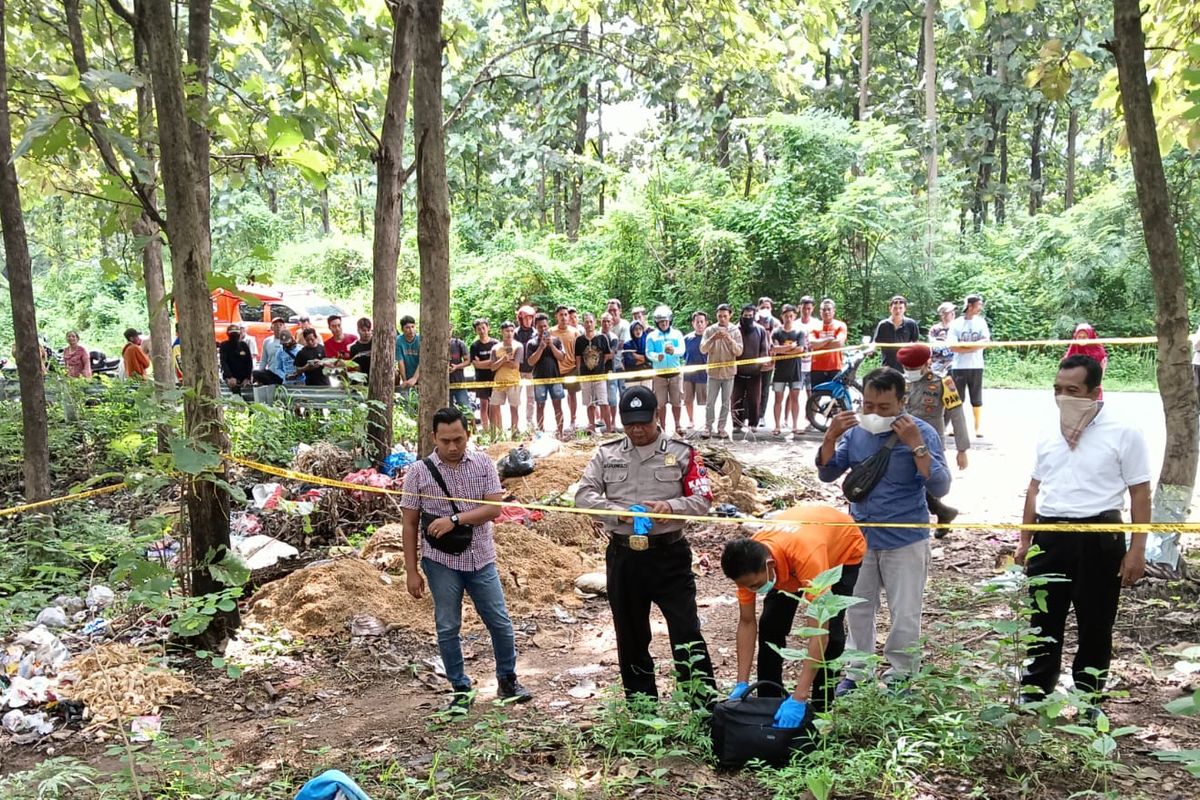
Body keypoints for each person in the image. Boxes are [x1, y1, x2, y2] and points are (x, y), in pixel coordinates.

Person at [1015, 355, 1149, 704]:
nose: (1063, 397)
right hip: (1050, 535)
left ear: (1095, 393)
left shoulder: (1124, 433)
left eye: (1072, 390)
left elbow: (1139, 492)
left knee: (1096, 621)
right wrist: (1025, 539)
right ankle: (1036, 689)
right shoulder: (1048, 432)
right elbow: (1034, 487)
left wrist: (1137, 549)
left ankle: (1089, 695)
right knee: (1044, 618)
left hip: (1099, 536)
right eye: (1057, 389)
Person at [575, 386, 716, 701]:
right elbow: (583, 495)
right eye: (629, 424)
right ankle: (642, 710)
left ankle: (703, 707)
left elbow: (703, 499)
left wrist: (672, 507)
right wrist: (616, 513)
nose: (637, 430)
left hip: (670, 554)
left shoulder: (683, 453)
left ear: (657, 416)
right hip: (625, 557)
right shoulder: (605, 453)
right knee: (631, 635)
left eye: (643, 422)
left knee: (686, 632)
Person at [816, 368, 951, 694]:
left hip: (906, 539)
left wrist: (916, 446)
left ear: (902, 402)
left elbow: (940, 485)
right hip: (860, 539)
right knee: (858, 608)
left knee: (904, 613)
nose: (874, 413)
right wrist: (831, 437)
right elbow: (827, 472)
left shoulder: (922, 432)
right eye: (869, 405)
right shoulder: (856, 431)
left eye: (884, 407)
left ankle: (901, 674)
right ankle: (857, 672)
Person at [401, 406, 533, 711]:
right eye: (445, 440)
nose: (452, 446)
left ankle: (507, 679)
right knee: (447, 626)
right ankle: (460, 688)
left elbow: (494, 509)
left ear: (468, 435)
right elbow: (409, 523)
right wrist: (411, 570)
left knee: (499, 622)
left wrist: (455, 519)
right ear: (433, 437)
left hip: (481, 558)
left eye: (458, 439)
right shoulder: (418, 473)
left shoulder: (484, 463)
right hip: (439, 561)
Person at [722, 505, 866, 719]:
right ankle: (768, 698)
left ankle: (821, 706)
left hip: (842, 550)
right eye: (747, 587)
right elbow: (746, 622)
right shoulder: (747, 563)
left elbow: (819, 631)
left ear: (769, 565)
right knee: (770, 625)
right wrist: (741, 682)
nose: (752, 590)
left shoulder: (807, 556)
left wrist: (799, 697)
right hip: (790, 558)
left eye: (756, 585)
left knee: (832, 633)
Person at [896, 345, 970, 532]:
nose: (910, 372)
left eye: (913, 368)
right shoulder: (900, 383)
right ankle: (940, 513)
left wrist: (962, 449)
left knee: (932, 480)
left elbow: (957, 415)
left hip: (931, 443)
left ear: (926, 363)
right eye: (907, 368)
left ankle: (940, 513)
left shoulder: (943, 383)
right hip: (903, 442)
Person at [948, 293, 990, 438]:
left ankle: (978, 427)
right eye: (978, 305)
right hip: (959, 366)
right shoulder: (956, 323)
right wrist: (973, 347)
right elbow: (952, 347)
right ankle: (955, 426)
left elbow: (985, 341)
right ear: (970, 306)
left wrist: (967, 348)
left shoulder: (981, 322)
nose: (980, 308)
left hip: (976, 365)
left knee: (976, 397)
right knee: (958, 398)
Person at [700, 303, 743, 439]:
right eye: (720, 316)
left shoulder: (735, 331)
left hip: (729, 372)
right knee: (710, 402)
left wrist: (729, 339)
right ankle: (708, 427)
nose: (722, 319)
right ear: (716, 316)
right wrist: (713, 338)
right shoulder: (710, 330)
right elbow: (703, 349)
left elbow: (739, 351)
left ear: (730, 315)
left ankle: (722, 427)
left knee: (726, 402)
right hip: (713, 373)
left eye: (725, 316)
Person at [644, 305, 686, 431]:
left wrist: (674, 351)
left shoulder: (677, 334)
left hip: (675, 373)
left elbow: (682, 350)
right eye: (661, 321)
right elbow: (648, 352)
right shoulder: (651, 336)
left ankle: (678, 425)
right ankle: (662, 427)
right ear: (656, 322)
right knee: (660, 403)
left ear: (670, 321)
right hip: (659, 375)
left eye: (666, 321)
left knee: (676, 401)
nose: (664, 324)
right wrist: (657, 357)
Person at [526, 311, 567, 436]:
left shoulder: (556, 340)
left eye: (545, 326)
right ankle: (541, 433)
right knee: (540, 406)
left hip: (555, 378)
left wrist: (551, 345)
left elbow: (562, 357)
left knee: (558, 406)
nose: (543, 328)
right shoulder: (532, 343)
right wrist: (541, 347)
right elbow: (530, 362)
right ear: (536, 327)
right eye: (540, 326)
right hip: (539, 379)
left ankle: (560, 432)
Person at [731, 304, 770, 435]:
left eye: (750, 316)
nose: (747, 318)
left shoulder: (760, 330)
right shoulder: (734, 330)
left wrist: (764, 360)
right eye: (745, 315)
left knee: (754, 400)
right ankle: (737, 424)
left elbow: (764, 349)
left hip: (755, 372)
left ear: (754, 316)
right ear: (741, 315)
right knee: (736, 399)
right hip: (737, 373)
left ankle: (753, 424)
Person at [771, 304, 808, 438]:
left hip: (795, 370)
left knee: (795, 399)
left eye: (791, 316)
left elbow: (800, 349)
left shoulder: (799, 332)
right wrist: (791, 347)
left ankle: (795, 425)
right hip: (780, 370)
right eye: (786, 316)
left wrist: (784, 349)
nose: (788, 318)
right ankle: (776, 425)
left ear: (794, 316)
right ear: (782, 316)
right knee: (778, 399)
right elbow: (774, 349)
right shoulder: (776, 332)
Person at [574, 312, 613, 434]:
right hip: (586, 376)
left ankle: (608, 427)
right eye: (586, 322)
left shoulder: (602, 338)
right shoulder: (579, 340)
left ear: (595, 323)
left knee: (604, 402)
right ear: (583, 324)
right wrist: (580, 375)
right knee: (589, 403)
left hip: (600, 375)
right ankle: (591, 426)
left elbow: (608, 355)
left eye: (591, 321)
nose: (589, 324)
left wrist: (600, 365)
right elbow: (578, 359)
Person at [491, 321, 524, 435]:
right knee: (494, 407)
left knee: (514, 408)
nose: (509, 333)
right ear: (502, 332)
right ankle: (496, 433)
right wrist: (503, 360)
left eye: (511, 331)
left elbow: (515, 365)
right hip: (499, 381)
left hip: (513, 381)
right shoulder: (495, 348)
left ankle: (514, 432)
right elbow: (492, 367)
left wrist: (501, 362)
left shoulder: (518, 346)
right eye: (506, 331)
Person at [551, 305, 581, 430]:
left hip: (572, 368)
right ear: (556, 317)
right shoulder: (551, 332)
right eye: (561, 315)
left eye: (565, 314)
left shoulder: (575, 332)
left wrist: (579, 369)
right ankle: (559, 425)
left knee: (572, 394)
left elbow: (579, 353)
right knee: (557, 398)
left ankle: (573, 420)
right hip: (556, 370)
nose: (563, 317)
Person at [872, 296, 921, 371]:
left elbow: (916, 343)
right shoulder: (883, 324)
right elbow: (876, 343)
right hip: (888, 365)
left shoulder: (911, 324)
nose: (898, 311)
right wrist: (870, 350)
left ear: (905, 309)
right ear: (890, 308)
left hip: (906, 365)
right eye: (895, 308)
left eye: (900, 308)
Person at [809, 299, 848, 390]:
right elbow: (812, 344)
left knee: (836, 397)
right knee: (815, 397)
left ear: (833, 311)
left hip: (835, 367)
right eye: (824, 309)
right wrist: (829, 339)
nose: (826, 312)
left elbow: (839, 343)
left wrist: (820, 344)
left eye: (829, 309)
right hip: (817, 367)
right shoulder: (814, 326)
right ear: (820, 311)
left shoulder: (841, 325)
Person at [1065, 323, 1108, 401]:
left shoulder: (1097, 349)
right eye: (1079, 337)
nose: (1081, 339)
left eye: (1084, 337)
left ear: (1090, 337)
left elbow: (1102, 366)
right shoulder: (1073, 348)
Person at [471, 319, 499, 435]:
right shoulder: (475, 346)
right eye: (479, 329)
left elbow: (497, 361)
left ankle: (497, 429)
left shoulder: (495, 343)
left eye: (483, 328)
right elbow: (475, 364)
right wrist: (490, 363)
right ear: (475, 331)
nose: (482, 331)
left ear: (488, 328)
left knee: (495, 405)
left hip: (495, 377)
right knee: (483, 404)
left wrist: (484, 363)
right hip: (481, 378)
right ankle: (486, 431)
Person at [682, 311, 709, 432]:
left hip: (704, 374)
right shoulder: (687, 339)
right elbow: (682, 355)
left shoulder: (709, 338)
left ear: (706, 323)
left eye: (702, 322)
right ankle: (691, 420)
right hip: (688, 373)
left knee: (706, 400)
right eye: (697, 322)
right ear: (693, 323)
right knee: (688, 399)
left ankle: (706, 422)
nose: (700, 324)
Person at [756, 297, 781, 426]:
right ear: (758, 308)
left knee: (765, 388)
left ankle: (761, 416)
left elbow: (778, 341)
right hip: (754, 361)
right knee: (753, 389)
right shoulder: (753, 321)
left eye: (768, 307)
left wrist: (773, 357)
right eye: (763, 307)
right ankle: (750, 415)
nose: (765, 310)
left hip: (769, 361)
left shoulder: (776, 323)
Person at [514, 305, 537, 431]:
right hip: (518, 369)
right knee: (516, 397)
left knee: (531, 397)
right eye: (525, 318)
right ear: (521, 319)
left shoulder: (535, 333)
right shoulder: (515, 333)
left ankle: (529, 421)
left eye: (530, 318)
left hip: (532, 369)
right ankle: (515, 423)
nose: (528, 321)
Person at [601, 313, 624, 416]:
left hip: (611, 370)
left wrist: (600, 359)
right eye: (604, 321)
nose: (606, 324)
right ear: (600, 322)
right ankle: (603, 421)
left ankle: (613, 422)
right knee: (601, 399)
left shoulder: (614, 337)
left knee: (612, 398)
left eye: (608, 321)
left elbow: (611, 354)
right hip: (597, 372)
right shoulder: (596, 335)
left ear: (612, 323)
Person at [219, 325, 255, 391]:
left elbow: (249, 362)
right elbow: (223, 362)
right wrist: (230, 377)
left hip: (243, 377)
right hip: (230, 376)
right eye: (232, 334)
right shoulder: (224, 345)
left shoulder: (244, 345)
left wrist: (248, 378)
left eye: (236, 334)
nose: (234, 337)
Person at [797, 296, 817, 412]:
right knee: (794, 392)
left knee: (811, 392)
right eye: (804, 308)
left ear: (813, 308)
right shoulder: (794, 324)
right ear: (800, 307)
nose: (806, 311)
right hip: (797, 363)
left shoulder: (817, 324)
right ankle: (786, 420)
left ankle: (810, 418)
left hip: (813, 363)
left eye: (809, 308)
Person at [396, 315, 421, 407]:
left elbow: (422, 361)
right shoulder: (399, 341)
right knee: (406, 402)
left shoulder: (420, 339)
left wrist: (415, 378)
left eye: (412, 327)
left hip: (420, 374)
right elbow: (400, 361)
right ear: (402, 329)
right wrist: (405, 380)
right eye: (407, 327)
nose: (410, 330)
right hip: (407, 373)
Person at [928, 302, 956, 377]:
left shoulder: (957, 327)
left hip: (955, 363)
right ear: (942, 314)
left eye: (953, 311)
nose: (953, 314)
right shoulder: (935, 329)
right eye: (949, 312)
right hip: (938, 363)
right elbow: (932, 346)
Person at [623, 320, 651, 388]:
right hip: (632, 377)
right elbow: (629, 362)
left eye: (640, 329)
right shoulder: (627, 345)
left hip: (647, 375)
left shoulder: (648, 343)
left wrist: (637, 356)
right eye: (635, 329)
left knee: (647, 396)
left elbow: (651, 357)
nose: (638, 331)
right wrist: (644, 359)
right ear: (632, 331)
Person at [448, 328, 471, 412]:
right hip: (442, 384)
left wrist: (457, 366)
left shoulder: (459, 343)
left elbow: (468, 361)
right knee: (447, 412)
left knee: (466, 409)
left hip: (459, 382)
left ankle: (472, 425)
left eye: (449, 329)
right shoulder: (436, 345)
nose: (448, 331)